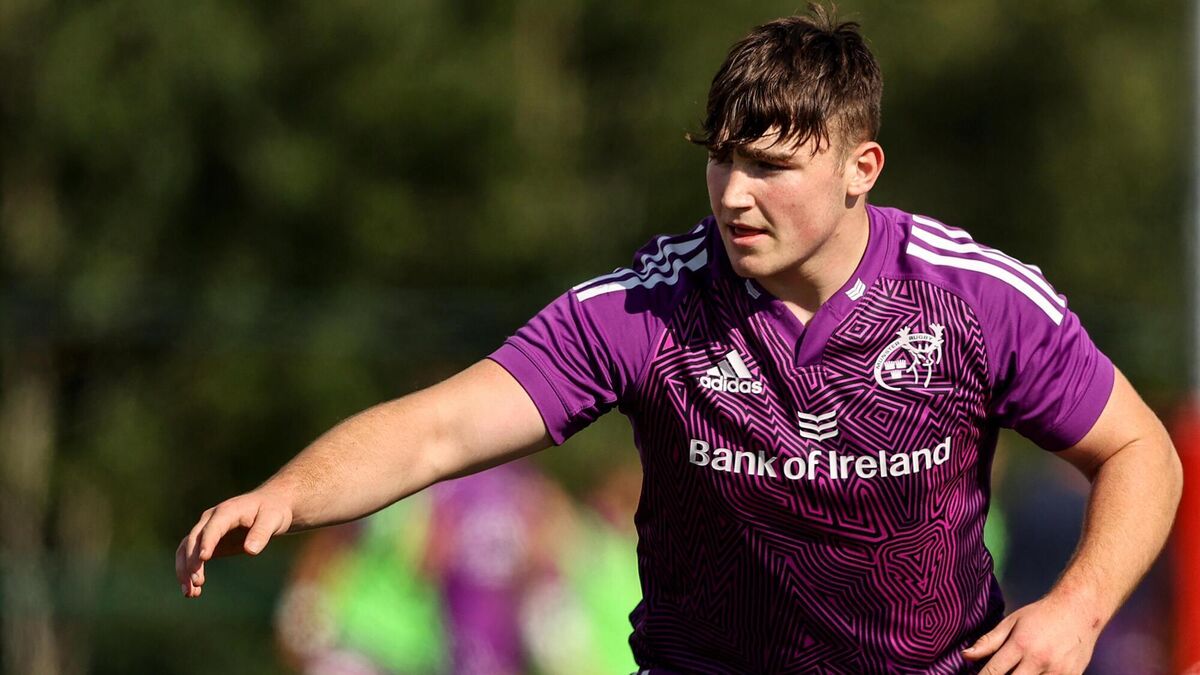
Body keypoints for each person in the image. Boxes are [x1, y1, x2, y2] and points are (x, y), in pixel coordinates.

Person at [175, 5, 1183, 673]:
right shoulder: (649, 308)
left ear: (861, 167)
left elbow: (1141, 450)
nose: (734, 194)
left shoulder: (975, 301)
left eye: (771, 167)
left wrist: (1079, 608)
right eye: (722, 160)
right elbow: (438, 431)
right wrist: (287, 493)